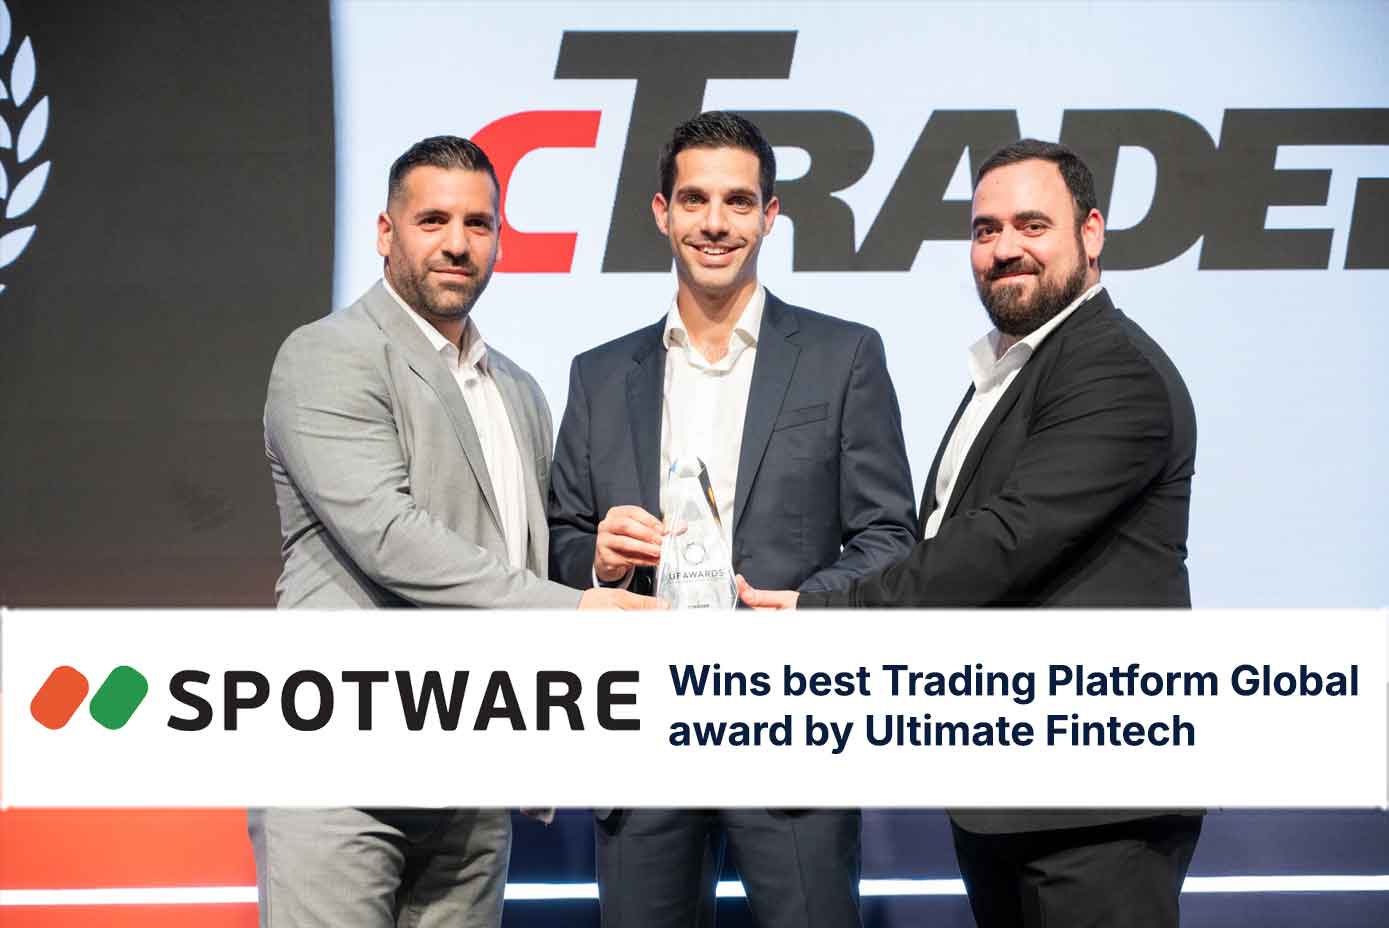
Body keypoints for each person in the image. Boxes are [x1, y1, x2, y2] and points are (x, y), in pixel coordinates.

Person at [738, 138, 1201, 926]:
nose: (1004, 248)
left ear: (1091, 233)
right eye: (986, 230)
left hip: (1094, 804)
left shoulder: (1110, 370)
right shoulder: (1014, 368)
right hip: (1011, 791)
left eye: (1031, 225)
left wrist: (827, 613)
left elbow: (1002, 543)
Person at [255, 135, 658, 928]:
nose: (457, 243)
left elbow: (523, 553)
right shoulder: (327, 354)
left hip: (475, 772)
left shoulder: (519, 389)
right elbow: (388, 536)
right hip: (344, 763)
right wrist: (574, 610)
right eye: (432, 220)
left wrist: (598, 568)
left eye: (478, 223)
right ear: (385, 233)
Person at [548, 112, 917, 928]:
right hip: (641, 730)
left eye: (738, 202)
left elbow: (890, 535)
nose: (714, 223)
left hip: (786, 721)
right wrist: (599, 562)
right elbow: (560, 537)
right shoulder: (599, 375)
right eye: (694, 200)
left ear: (769, 215)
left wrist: (807, 607)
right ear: (661, 212)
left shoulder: (843, 356)